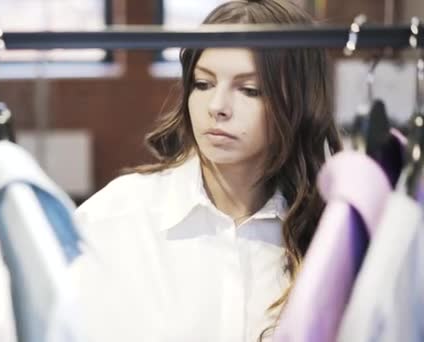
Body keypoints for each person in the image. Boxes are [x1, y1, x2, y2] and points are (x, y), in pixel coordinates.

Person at [74, 0, 343, 341]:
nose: (217, 107)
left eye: (249, 90)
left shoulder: (328, 234)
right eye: (203, 84)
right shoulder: (114, 218)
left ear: (298, 101)